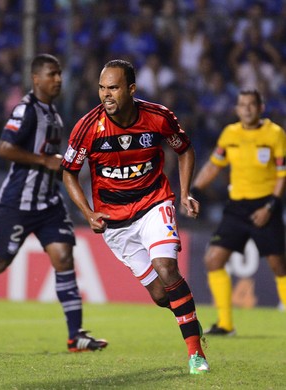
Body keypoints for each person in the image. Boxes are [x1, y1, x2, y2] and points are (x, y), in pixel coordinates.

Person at [0, 54, 108, 353]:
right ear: (36, 78)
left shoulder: (54, 114)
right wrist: (44, 160)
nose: (58, 79)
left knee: (64, 257)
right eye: (52, 74)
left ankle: (75, 334)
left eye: (60, 73)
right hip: (19, 202)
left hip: (49, 203)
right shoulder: (26, 110)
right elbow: (5, 148)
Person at [61, 59, 209, 374]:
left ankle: (196, 354)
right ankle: (190, 317)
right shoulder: (88, 127)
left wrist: (184, 194)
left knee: (166, 269)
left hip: (154, 203)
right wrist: (87, 212)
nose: (106, 95)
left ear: (131, 89)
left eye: (113, 87)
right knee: (159, 295)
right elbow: (69, 173)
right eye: (101, 88)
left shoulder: (158, 117)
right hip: (115, 223)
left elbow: (184, 149)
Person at [191, 89, 286, 336]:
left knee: (279, 265)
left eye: (251, 105)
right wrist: (195, 191)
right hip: (237, 208)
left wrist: (270, 207)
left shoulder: (275, 134)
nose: (246, 109)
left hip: (266, 205)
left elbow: (282, 174)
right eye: (242, 105)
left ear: (260, 107)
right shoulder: (230, 134)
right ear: (237, 109)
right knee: (213, 260)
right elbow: (214, 164)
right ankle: (225, 324)